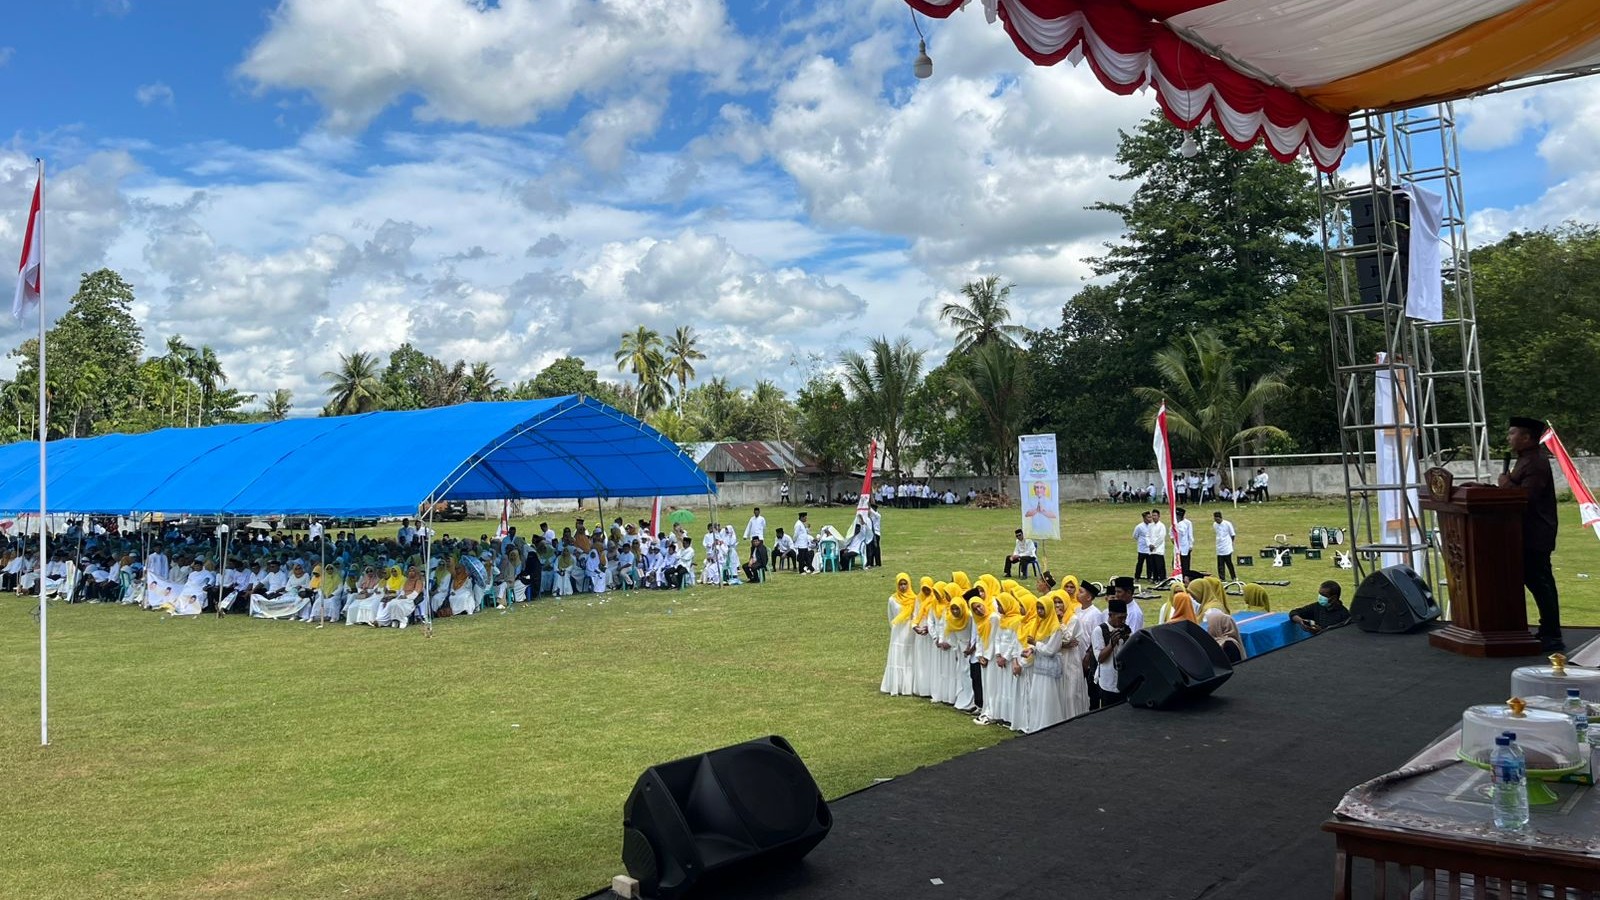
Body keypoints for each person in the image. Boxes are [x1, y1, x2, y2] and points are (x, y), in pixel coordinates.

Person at [1500, 415, 1563, 652]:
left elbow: (1526, 496)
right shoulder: (1525, 459)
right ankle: (1547, 630)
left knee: (1541, 582)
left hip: (1535, 532)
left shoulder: (1535, 462)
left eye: (1513, 433)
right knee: (1536, 580)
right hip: (1525, 531)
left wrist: (1506, 484)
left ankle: (1552, 633)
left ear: (1526, 437)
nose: (1509, 437)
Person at [880, 573, 918, 696]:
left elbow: (916, 616)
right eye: (900, 584)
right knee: (897, 656)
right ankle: (895, 686)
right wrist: (895, 628)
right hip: (897, 633)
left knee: (908, 657)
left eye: (905, 584)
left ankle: (908, 686)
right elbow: (891, 617)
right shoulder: (892, 600)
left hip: (909, 632)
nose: (903, 587)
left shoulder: (914, 599)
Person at [1091, 598, 1132, 709]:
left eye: (1125, 617)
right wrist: (1111, 644)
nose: (1123, 621)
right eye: (1120, 618)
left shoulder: (1126, 630)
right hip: (1107, 683)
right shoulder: (1099, 631)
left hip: (1123, 682)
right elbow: (1100, 659)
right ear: (1110, 615)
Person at [1145, 509, 1169, 582]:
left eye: (1155, 515)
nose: (1154, 517)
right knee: (1153, 565)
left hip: (1158, 549)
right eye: (1153, 516)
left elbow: (1161, 537)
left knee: (1160, 565)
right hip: (1151, 549)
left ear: (1159, 516)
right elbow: (1147, 536)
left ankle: (1162, 578)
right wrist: (1149, 544)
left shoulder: (1161, 526)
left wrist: (1154, 545)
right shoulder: (1150, 525)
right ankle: (1155, 578)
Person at [1212, 511, 1237, 581]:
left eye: (1217, 519)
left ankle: (1233, 577)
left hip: (1227, 546)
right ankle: (1222, 578)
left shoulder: (1227, 524)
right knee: (1220, 564)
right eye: (1215, 519)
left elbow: (1232, 534)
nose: (1216, 521)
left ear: (1220, 518)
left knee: (1229, 563)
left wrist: (1230, 543)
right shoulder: (1215, 525)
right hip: (1219, 546)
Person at [1173, 507, 1194, 576]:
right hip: (1177, 547)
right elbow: (1171, 533)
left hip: (1185, 546)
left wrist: (1190, 545)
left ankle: (1185, 576)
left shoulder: (1187, 523)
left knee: (1185, 563)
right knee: (1176, 562)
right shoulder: (1174, 523)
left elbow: (1190, 534)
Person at [1132, 511, 1150, 581]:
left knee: (1150, 564)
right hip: (1142, 549)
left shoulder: (1152, 526)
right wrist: (1141, 541)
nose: (1150, 519)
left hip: (1150, 549)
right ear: (1144, 518)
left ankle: (1149, 577)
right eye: (1148, 517)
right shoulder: (1139, 527)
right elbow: (1135, 536)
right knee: (1140, 563)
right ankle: (1137, 577)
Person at [866, 503, 882, 569]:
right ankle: (871, 562)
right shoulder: (870, 516)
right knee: (871, 548)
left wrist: (868, 507)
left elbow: (873, 512)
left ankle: (878, 563)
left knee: (876, 548)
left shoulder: (878, 515)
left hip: (876, 533)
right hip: (871, 533)